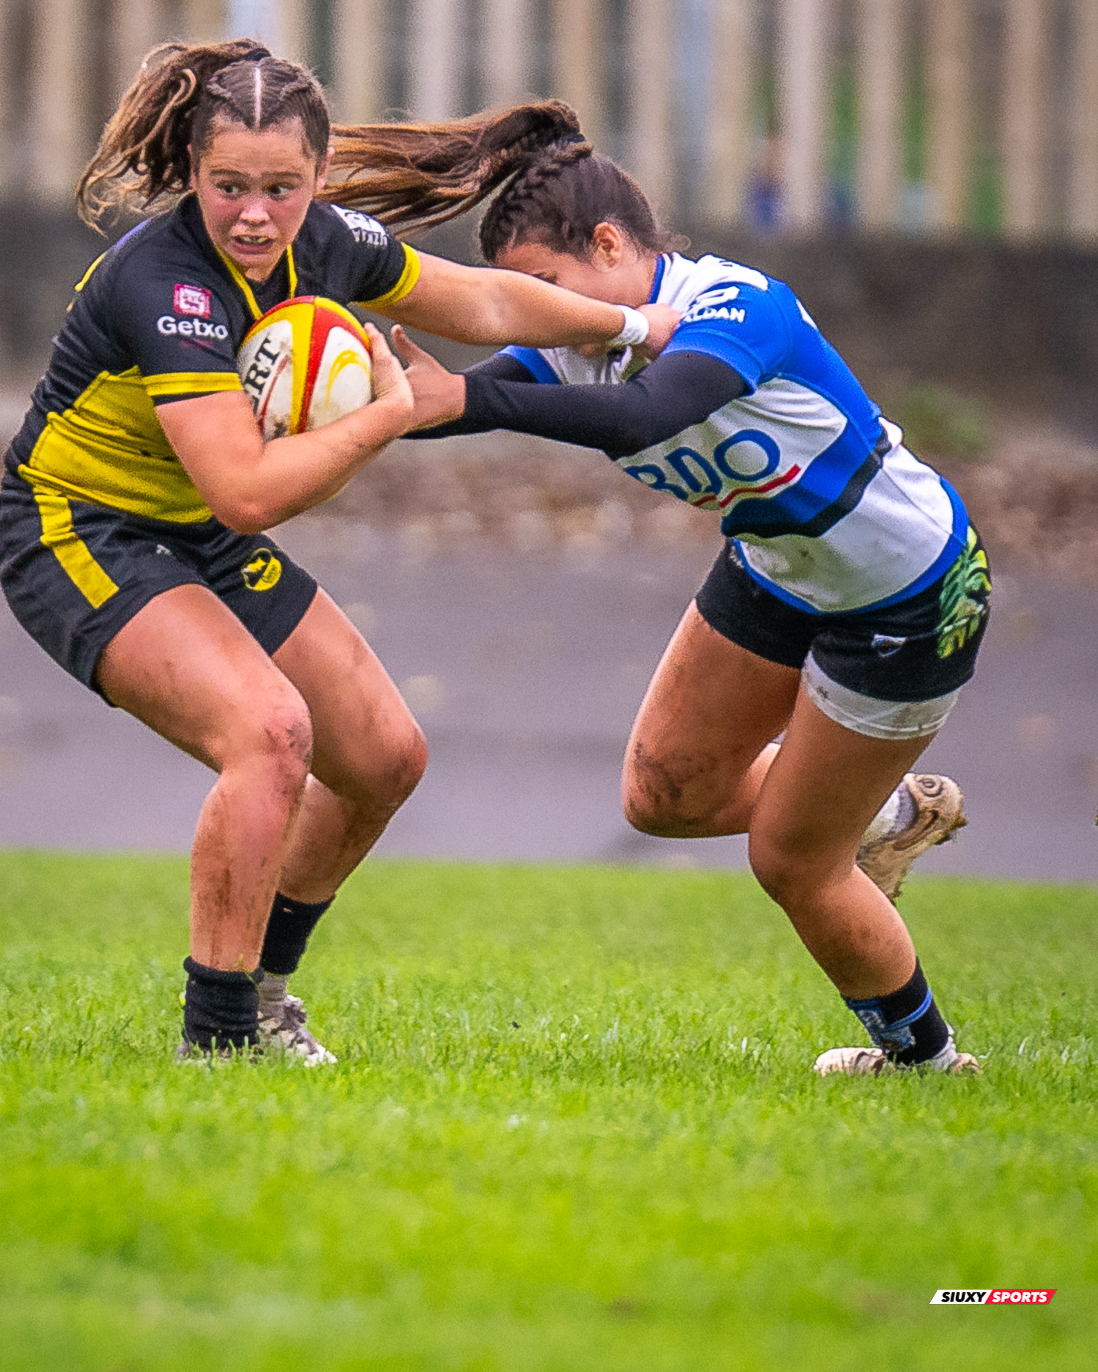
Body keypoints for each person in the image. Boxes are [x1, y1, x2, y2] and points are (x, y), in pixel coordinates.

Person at [0, 48, 678, 1061]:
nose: (256, 215)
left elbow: (484, 304)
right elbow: (248, 490)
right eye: (228, 187)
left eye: (282, 187)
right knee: (268, 735)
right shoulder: (163, 282)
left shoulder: (331, 243)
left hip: (197, 534)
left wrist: (627, 321)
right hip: (78, 528)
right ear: (192, 173)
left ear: (315, 179)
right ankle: (218, 1039)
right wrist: (384, 414)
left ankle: (264, 994)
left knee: (385, 758)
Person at [338, 105, 989, 1078]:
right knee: (664, 795)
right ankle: (888, 814)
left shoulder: (737, 307)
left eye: (543, 289)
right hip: (778, 565)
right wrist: (334, 391)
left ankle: (925, 1063)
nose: (535, 315)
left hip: (907, 593)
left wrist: (466, 397)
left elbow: (648, 414)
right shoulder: (580, 336)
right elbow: (456, 396)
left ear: (609, 244)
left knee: (791, 860)